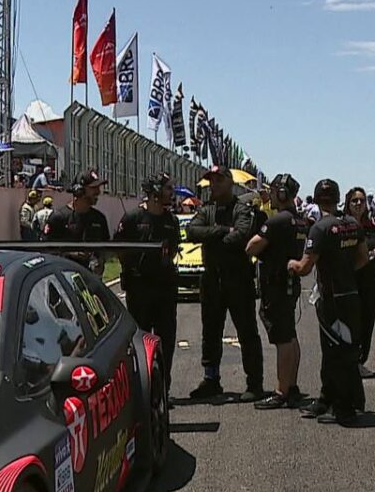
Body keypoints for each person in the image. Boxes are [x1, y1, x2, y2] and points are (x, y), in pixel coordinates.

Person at [290, 179, 369, 425]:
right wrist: (344, 271)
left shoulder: (320, 228)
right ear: (338, 199)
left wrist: (290, 264)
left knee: (337, 351)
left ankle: (344, 406)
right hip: (350, 294)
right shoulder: (352, 225)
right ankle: (328, 397)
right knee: (341, 348)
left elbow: (304, 267)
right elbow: (363, 258)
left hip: (331, 298)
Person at [186, 166, 265, 402]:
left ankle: (254, 383)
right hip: (211, 278)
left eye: (219, 180)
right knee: (210, 332)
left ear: (230, 183)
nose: (215, 185)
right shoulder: (207, 209)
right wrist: (221, 230)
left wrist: (212, 237)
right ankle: (211, 379)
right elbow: (192, 232)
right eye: (212, 181)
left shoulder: (242, 208)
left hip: (238, 277)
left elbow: (240, 236)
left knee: (247, 332)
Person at [246, 174, 309, 410]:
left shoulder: (277, 221)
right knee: (290, 335)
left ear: (282, 194)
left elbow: (251, 246)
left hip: (276, 284)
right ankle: (291, 386)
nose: (270, 195)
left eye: (273, 191)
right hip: (290, 284)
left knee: (282, 339)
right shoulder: (300, 221)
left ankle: (281, 391)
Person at [113, 174, 180, 397]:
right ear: (154, 192)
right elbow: (120, 250)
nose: (172, 193)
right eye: (168, 188)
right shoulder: (132, 218)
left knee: (166, 341)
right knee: (141, 341)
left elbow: (172, 250)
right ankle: (141, 389)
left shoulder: (172, 220)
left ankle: (163, 389)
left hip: (165, 289)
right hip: (139, 289)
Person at [345, 186, 375, 376]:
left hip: (369, 280)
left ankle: (360, 360)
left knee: (367, 321)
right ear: (347, 203)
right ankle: (348, 360)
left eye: (361, 201)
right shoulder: (342, 226)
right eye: (354, 200)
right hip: (348, 280)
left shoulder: (373, 228)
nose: (358, 204)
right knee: (349, 321)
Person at [41, 170, 110, 273]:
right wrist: (71, 254)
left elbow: (104, 247)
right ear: (79, 191)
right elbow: (46, 250)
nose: (98, 192)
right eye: (93, 188)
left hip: (92, 282)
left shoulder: (99, 219)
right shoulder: (59, 217)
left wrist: (100, 260)